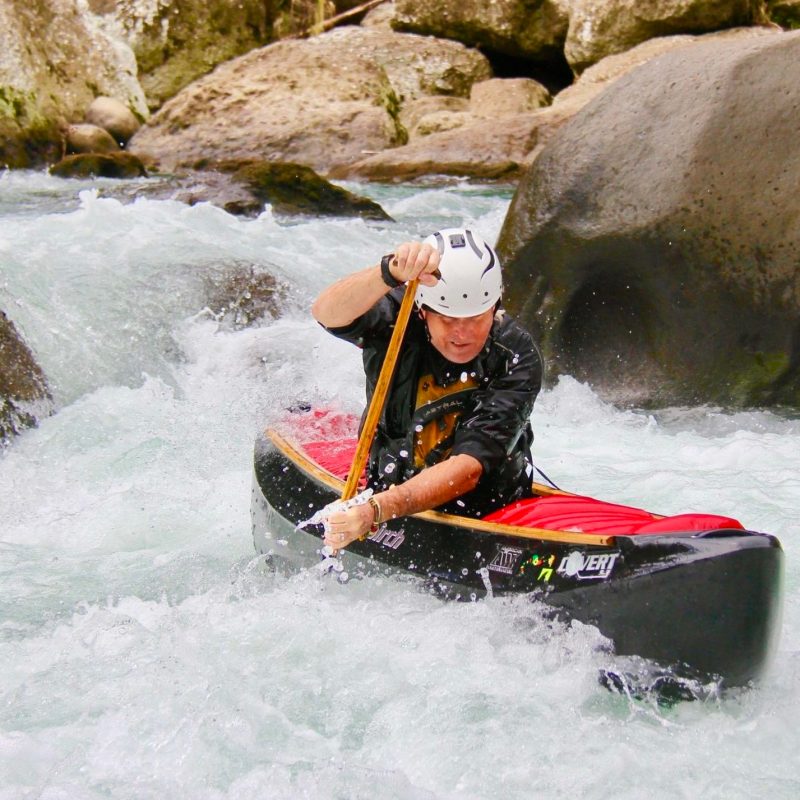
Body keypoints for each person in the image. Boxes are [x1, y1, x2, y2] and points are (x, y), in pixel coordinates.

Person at [311, 227, 543, 551]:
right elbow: (326, 314)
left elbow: (468, 467)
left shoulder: (515, 354)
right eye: (447, 319)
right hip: (387, 485)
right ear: (424, 310)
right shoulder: (398, 317)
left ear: (495, 307)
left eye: (476, 318)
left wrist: (376, 510)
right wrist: (388, 272)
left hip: (486, 508)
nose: (462, 334)